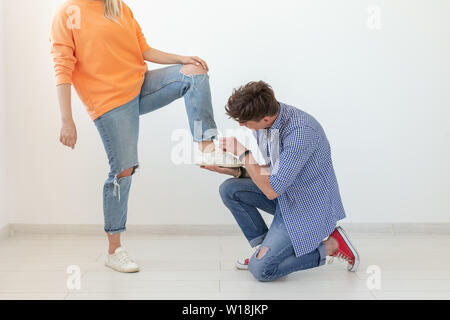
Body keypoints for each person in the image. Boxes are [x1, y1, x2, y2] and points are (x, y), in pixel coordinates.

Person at [49, 0, 240, 273]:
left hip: (139, 85)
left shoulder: (118, 7)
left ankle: (206, 146)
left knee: (194, 74)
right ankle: (114, 250)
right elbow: (62, 67)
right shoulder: (68, 12)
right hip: (109, 102)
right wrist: (66, 119)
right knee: (123, 170)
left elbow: (143, 49)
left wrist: (182, 59)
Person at [202, 81, 360, 281]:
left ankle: (332, 246)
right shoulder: (265, 122)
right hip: (285, 194)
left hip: (307, 206)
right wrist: (236, 172)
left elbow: (271, 190)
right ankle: (263, 251)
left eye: (245, 122)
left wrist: (244, 153)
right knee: (230, 189)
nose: (241, 125)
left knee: (262, 271)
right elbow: (272, 173)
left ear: (266, 119)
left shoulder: (300, 131)